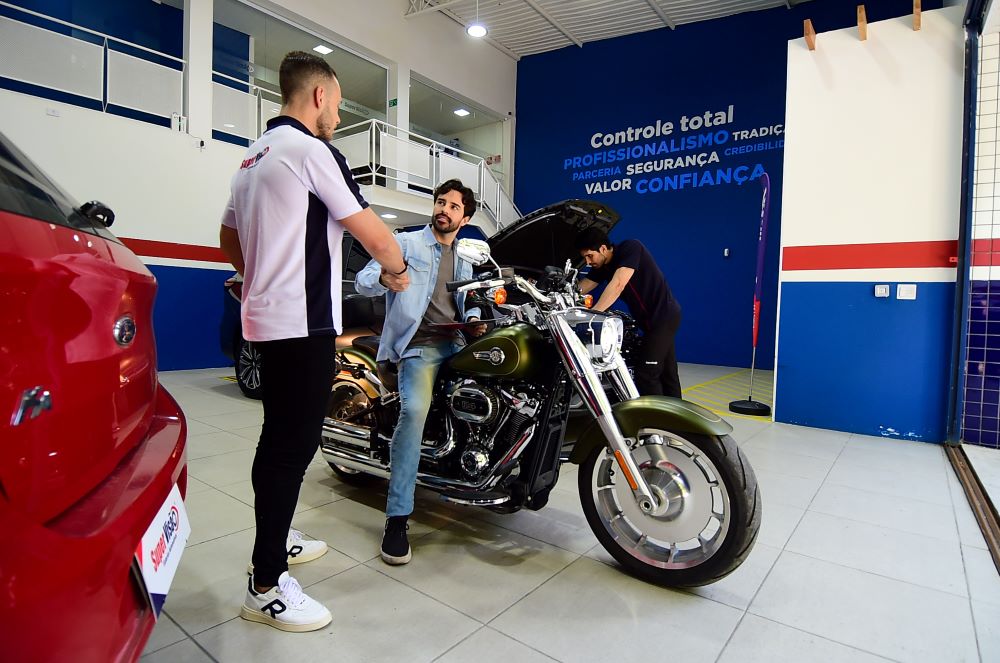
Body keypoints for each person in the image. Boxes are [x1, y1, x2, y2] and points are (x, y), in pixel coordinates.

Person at [219, 51, 409, 633]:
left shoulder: (251, 158)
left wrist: (261, 278)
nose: (338, 112)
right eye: (338, 100)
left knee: (280, 439)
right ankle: (266, 582)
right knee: (290, 447)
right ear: (319, 95)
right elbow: (372, 232)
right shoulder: (312, 151)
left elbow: (228, 239)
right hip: (302, 325)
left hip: (265, 322)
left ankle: (276, 536)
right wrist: (400, 271)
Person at [355, 178, 487, 565]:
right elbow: (365, 281)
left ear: (465, 218)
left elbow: (470, 299)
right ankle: (397, 519)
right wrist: (382, 278)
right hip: (419, 346)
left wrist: (475, 318)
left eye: (453, 206)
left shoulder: (466, 255)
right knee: (413, 413)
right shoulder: (408, 243)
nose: (444, 210)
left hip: (457, 343)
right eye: (441, 202)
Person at [575, 228, 682, 398]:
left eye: (590, 256)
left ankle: (657, 421)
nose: (588, 262)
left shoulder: (630, 248)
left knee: (646, 375)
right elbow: (585, 284)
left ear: (603, 249)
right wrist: (559, 293)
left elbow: (618, 284)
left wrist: (593, 315)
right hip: (649, 322)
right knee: (668, 374)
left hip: (663, 316)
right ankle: (677, 420)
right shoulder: (602, 266)